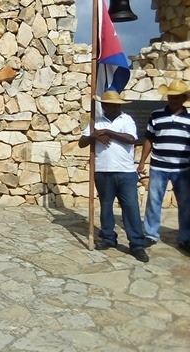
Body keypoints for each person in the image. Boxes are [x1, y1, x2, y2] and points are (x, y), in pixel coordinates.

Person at [79, 90, 149, 262]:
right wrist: (95, 134)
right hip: (103, 170)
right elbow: (82, 142)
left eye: (115, 105)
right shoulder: (96, 121)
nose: (111, 107)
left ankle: (137, 244)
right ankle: (109, 238)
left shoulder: (126, 120)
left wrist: (108, 132)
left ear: (119, 105)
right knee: (106, 206)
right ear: (103, 105)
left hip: (125, 172)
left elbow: (131, 138)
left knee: (131, 207)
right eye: (108, 105)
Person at [137, 79, 190, 253]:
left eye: (177, 97)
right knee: (154, 201)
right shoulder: (156, 115)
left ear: (183, 98)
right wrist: (142, 161)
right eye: (170, 96)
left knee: (185, 204)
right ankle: (151, 234)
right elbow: (149, 139)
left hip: (183, 169)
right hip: (159, 166)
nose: (173, 100)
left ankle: (185, 237)